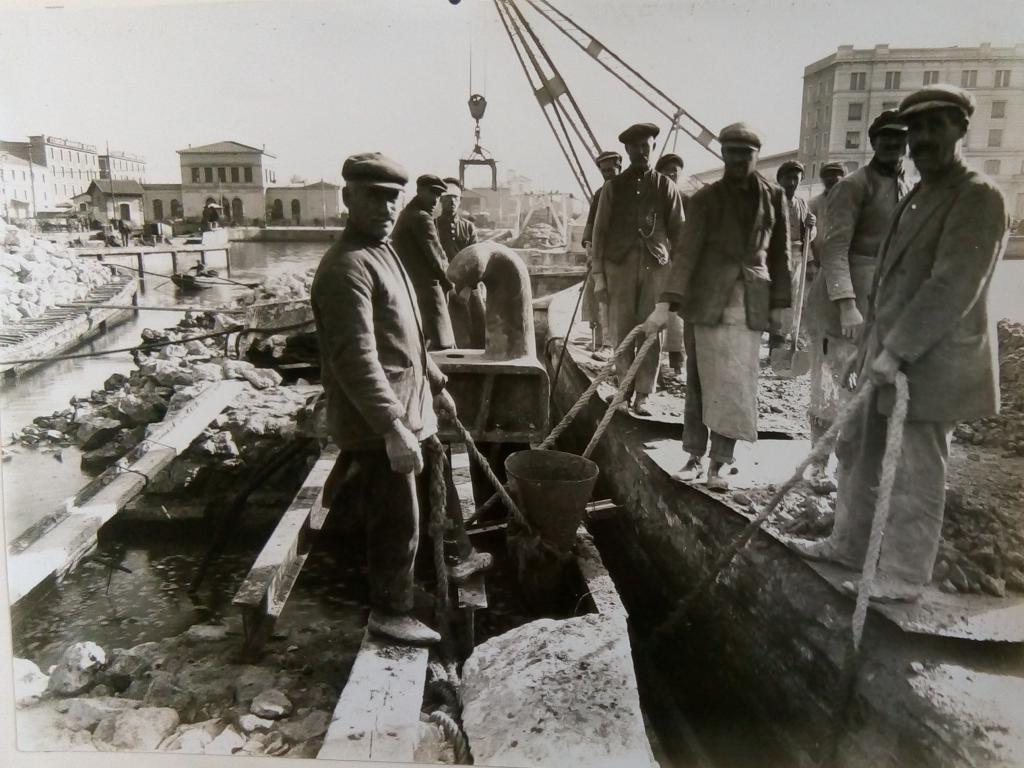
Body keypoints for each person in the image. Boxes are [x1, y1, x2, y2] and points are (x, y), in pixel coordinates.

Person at [792, 85, 1009, 602]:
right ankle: (848, 545)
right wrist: (868, 351)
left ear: (961, 129)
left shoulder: (978, 195)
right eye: (917, 130)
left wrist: (896, 351)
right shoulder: (919, 194)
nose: (924, 139)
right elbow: (887, 283)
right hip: (886, 355)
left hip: (931, 363)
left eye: (937, 126)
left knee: (914, 469)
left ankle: (906, 574)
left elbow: (953, 285)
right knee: (857, 452)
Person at [311, 152, 457, 645]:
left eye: (392, 198)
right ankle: (390, 611)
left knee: (431, 486)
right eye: (373, 197)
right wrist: (393, 428)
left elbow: (405, 332)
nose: (386, 207)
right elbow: (355, 358)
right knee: (397, 517)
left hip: (408, 403)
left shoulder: (384, 250)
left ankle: (432, 576)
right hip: (376, 419)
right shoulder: (346, 267)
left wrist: (434, 378)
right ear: (347, 197)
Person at [645, 123, 790, 490]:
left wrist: (781, 310)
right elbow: (687, 254)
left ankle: (721, 462)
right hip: (705, 301)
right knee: (699, 381)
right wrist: (666, 303)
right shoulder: (706, 199)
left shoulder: (774, 197)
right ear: (722, 155)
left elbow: (780, 257)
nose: (739, 159)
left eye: (747, 153)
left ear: (756, 156)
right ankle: (694, 454)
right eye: (732, 152)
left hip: (749, 302)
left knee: (737, 382)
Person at [802, 111, 910, 490]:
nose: (893, 144)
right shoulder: (853, 186)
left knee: (864, 386)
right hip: (841, 305)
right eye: (886, 138)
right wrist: (847, 303)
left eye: (900, 137)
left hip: (881, 301)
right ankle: (818, 464)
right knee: (830, 386)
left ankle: (857, 466)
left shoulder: (906, 185)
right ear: (873, 141)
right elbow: (834, 250)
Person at [591, 122, 686, 416]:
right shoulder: (612, 188)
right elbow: (599, 233)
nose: (641, 151)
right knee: (621, 330)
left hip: (655, 269)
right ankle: (623, 390)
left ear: (653, 148)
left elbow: (679, 234)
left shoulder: (666, 186)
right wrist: (598, 276)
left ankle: (643, 393)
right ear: (628, 151)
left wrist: (677, 280)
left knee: (651, 330)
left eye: (646, 146)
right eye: (636, 147)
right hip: (618, 268)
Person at [391, 174, 455, 350]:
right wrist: (453, 283)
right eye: (432, 193)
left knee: (421, 342)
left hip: (409, 286)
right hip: (427, 289)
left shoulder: (407, 214)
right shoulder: (422, 218)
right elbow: (437, 256)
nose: (435, 199)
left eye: (439, 195)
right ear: (419, 191)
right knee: (443, 344)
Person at [769, 160, 816, 354]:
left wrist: (811, 225)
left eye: (796, 178)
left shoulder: (802, 203)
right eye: (788, 178)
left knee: (793, 298)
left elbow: (809, 235)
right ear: (780, 179)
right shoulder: (772, 201)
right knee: (777, 297)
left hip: (797, 256)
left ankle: (786, 337)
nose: (792, 182)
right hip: (776, 256)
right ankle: (775, 339)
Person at [581, 150, 622, 361]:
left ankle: (609, 344)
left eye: (611, 169)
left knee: (611, 299)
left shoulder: (626, 190)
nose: (607, 174)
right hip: (600, 253)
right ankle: (599, 340)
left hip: (619, 254)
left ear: (619, 166)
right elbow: (591, 222)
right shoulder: (600, 193)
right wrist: (588, 245)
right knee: (594, 295)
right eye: (604, 171)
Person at [438, 178, 484, 348]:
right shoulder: (433, 227)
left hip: (466, 288)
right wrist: (448, 288)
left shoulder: (468, 227)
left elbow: (476, 261)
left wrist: (468, 288)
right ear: (441, 199)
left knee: (478, 329)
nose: (452, 201)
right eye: (448, 197)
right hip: (443, 289)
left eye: (455, 198)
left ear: (460, 200)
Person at [655, 152, 689, 373]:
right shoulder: (654, 200)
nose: (671, 177)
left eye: (675, 173)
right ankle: (652, 365)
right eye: (667, 173)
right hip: (656, 263)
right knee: (654, 311)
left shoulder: (686, 200)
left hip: (678, 263)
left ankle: (677, 362)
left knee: (677, 316)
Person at [807, 161, 846, 273]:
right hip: (818, 264)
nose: (831, 179)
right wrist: (809, 262)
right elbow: (805, 235)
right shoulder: (814, 204)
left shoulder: (851, 203)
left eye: (835, 174)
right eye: (827, 175)